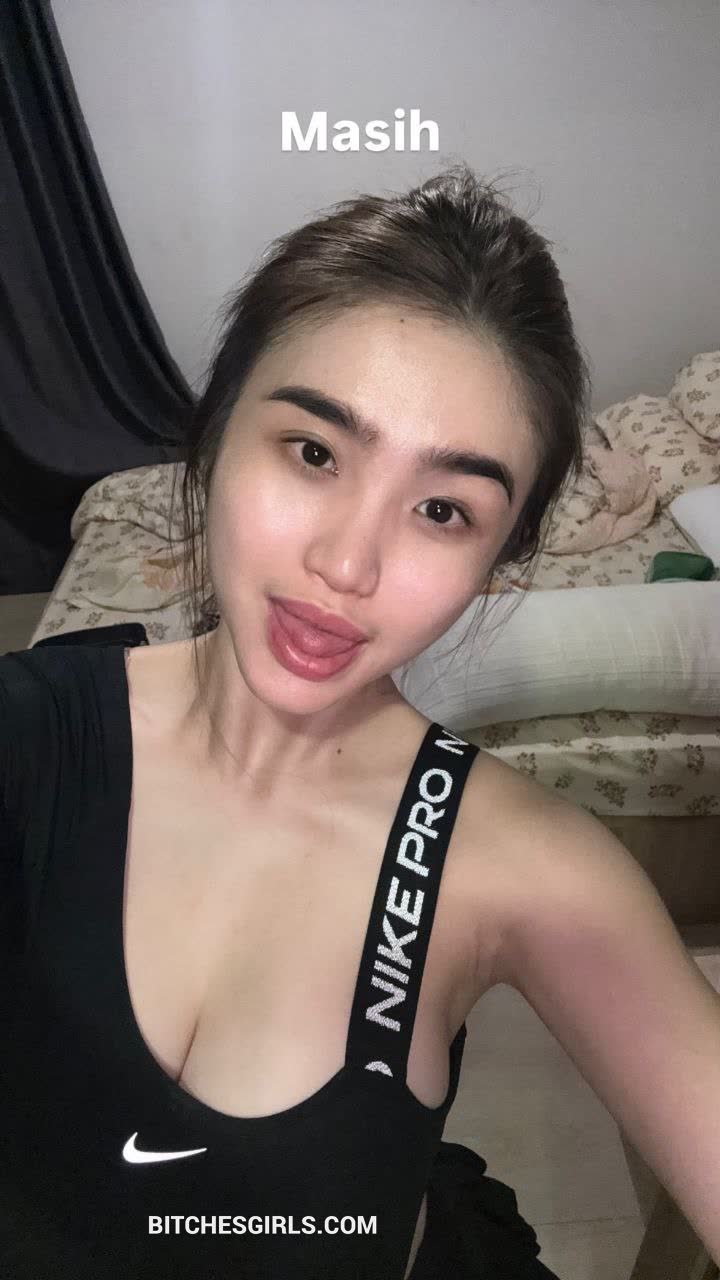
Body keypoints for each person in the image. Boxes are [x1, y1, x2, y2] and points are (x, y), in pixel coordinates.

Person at [3, 165, 717, 1278]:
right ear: (214, 433)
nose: (346, 563)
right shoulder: (30, 734)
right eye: (314, 452)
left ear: (500, 557)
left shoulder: (528, 866)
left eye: (443, 509)